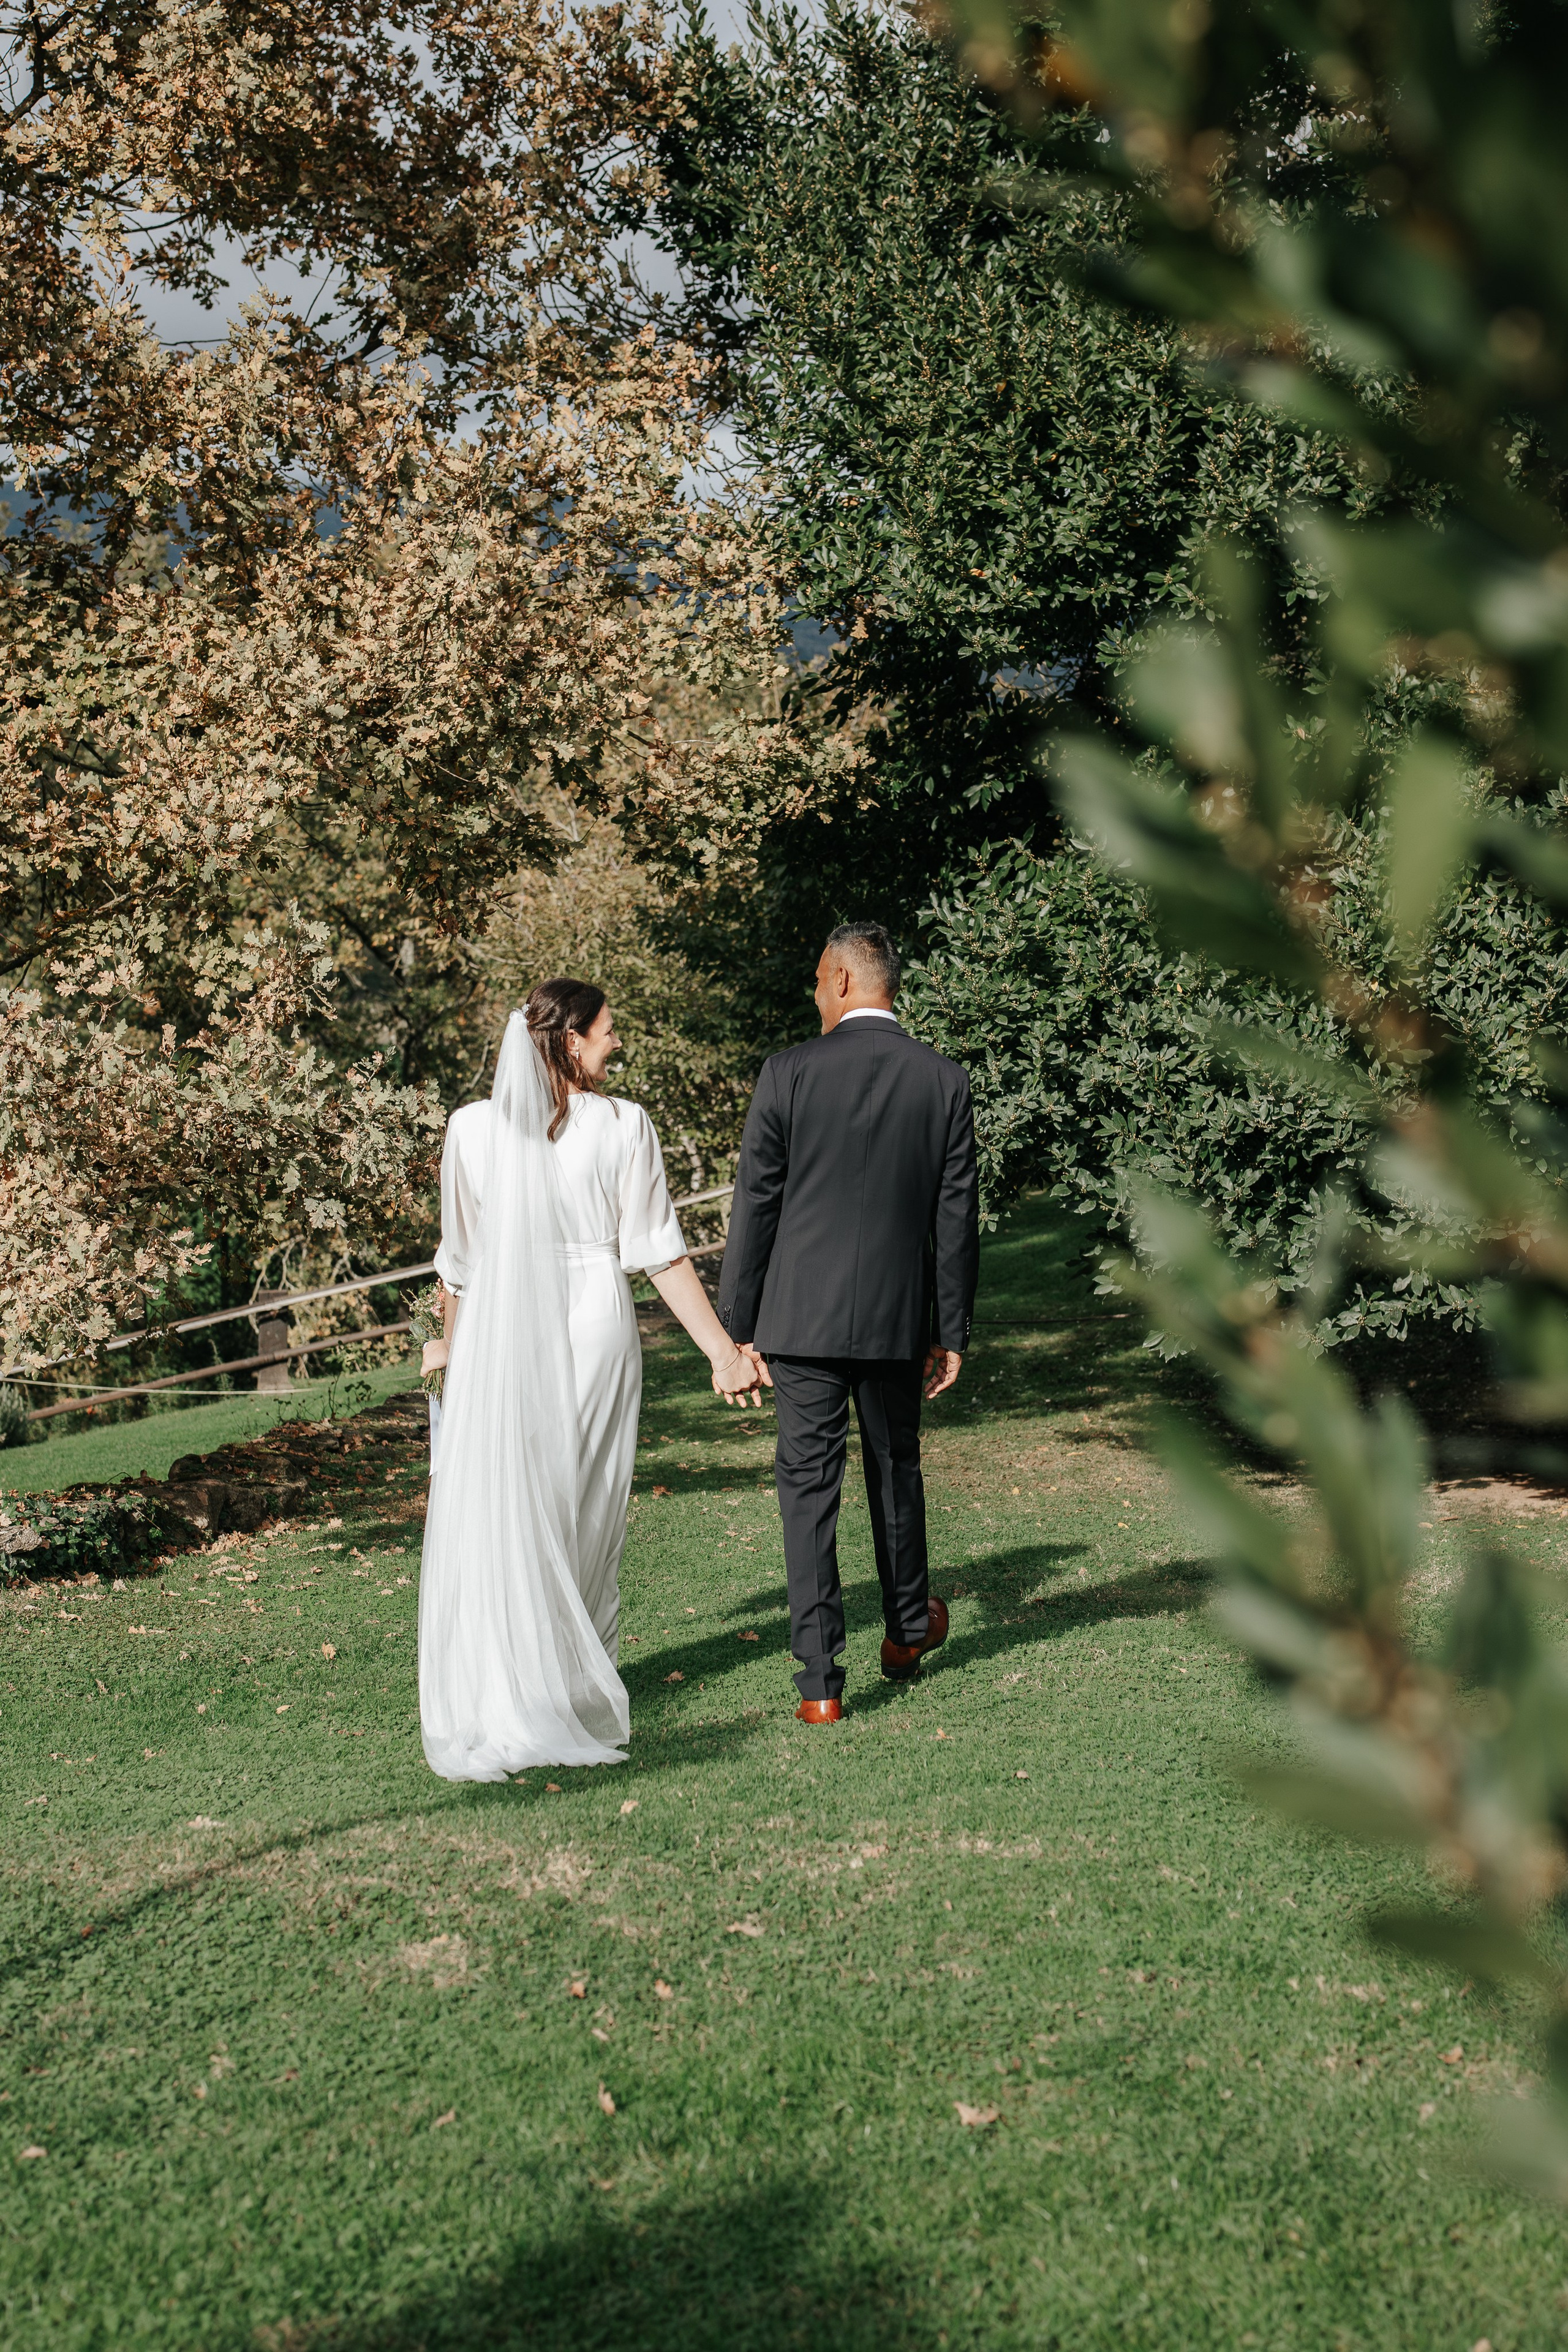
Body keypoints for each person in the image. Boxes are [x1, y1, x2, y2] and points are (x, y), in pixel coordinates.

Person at [417, 978, 762, 1781]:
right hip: (591, 1323)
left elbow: (460, 1271)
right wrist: (720, 1351)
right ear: (569, 1040)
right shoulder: (624, 1126)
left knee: (515, 1506)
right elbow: (659, 1251)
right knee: (589, 1510)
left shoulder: (469, 1131)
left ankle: (524, 1691)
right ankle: (568, 1690)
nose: (615, 1043)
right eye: (606, 1031)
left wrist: (456, 1364)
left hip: (506, 1337)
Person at [717, 921, 979, 1723]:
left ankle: (820, 1688)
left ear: (837, 978)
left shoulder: (787, 1073)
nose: (813, 992)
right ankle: (904, 1634)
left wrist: (739, 1322)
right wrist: (951, 1328)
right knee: (895, 1469)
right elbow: (955, 1215)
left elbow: (756, 1202)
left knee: (808, 1493)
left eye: (814, 979)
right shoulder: (944, 1080)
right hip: (900, 1318)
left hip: (798, 1321)